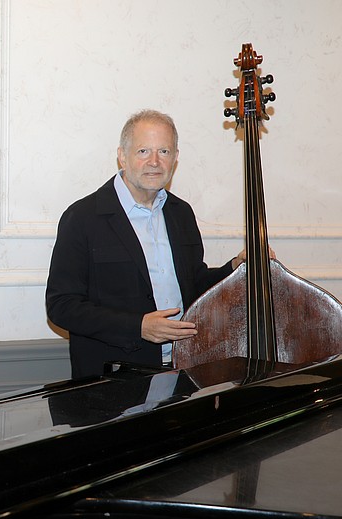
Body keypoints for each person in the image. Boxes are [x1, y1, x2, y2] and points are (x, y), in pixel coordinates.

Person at [46, 109, 244, 379]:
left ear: (175, 158)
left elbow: (192, 283)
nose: (154, 162)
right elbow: (62, 306)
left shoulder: (181, 213)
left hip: (184, 367)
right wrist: (138, 326)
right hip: (113, 381)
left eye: (163, 152)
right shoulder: (82, 217)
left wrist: (234, 268)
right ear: (122, 156)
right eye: (143, 152)